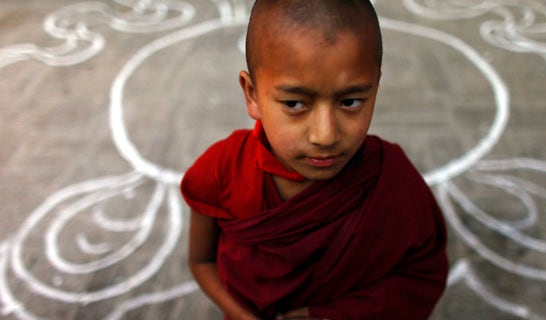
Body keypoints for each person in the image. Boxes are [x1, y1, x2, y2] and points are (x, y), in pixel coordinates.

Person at [181, 0, 449, 319]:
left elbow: (422, 274)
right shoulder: (222, 169)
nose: (325, 135)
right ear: (252, 94)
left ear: (376, 87)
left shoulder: (391, 179)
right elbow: (201, 261)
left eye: (350, 101)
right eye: (295, 104)